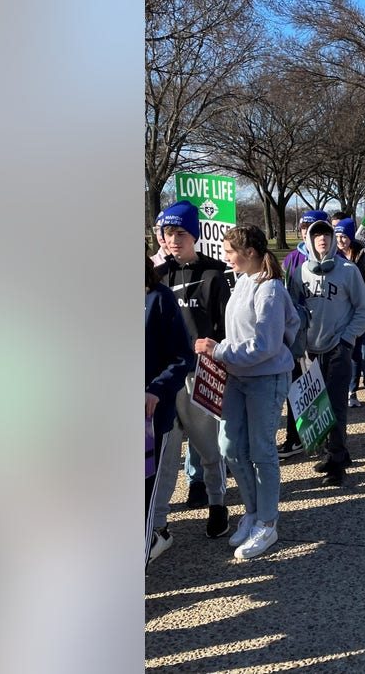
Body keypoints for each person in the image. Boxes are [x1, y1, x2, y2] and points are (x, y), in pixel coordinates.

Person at [193, 226, 299, 559]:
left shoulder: (269, 290)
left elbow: (266, 346)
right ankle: (252, 512)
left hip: (265, 380)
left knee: (262, 451)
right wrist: (223, 354)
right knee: (230, 447)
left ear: (249, 252)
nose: (225, 256)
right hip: (237, 379)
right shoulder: (240, 282)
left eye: (229, 251)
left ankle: (267, 523)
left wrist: (219, 351)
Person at [150, 200, 232, 549]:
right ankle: (157, 524)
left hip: (200, 374)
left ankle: (218, 504)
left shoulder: (214, 273)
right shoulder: (156, 275)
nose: (174, 239)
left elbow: (227, 327)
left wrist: (214, 346)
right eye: (168, 233)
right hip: (167, 376)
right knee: (164, 455)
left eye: (181, 232)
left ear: (194, 234)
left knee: (208, 448)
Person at [288, 216, 365, 487]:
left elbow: (363, 309)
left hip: (338, 348)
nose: (322, 239)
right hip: (310, 351)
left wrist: (347, 339)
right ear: (310, 240)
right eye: (317, 235)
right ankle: (332, 451)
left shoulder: (348, 270)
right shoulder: (300, 272)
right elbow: (290, 310)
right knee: (317, 405)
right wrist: (297, 343)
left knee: (336, 405)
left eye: (327, 234)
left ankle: (337, 463)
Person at [145, 256, 194, 564]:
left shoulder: (159, 299)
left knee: (140, 503)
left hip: (147, 421)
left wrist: (156, 390)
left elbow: (182, 358)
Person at [277, 210, 327, 459]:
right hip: (298, 337)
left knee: (323, 387)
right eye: (304, 228)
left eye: (315, 228)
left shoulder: (335, 260)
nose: (308, 232)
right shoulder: (291, 260)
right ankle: (295, 437)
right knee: (297, 388)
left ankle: (324, 439)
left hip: (326, 336)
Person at [333, 217, 365, 407]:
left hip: (357, 311)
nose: (340, 240)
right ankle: (338, 388)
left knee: (356, 351)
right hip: (338, 310)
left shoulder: (362, 256)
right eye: (337, 236)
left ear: (351, 236)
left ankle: (352, 390)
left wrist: (359, 296)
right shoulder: (331, 255)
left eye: (344, 236)